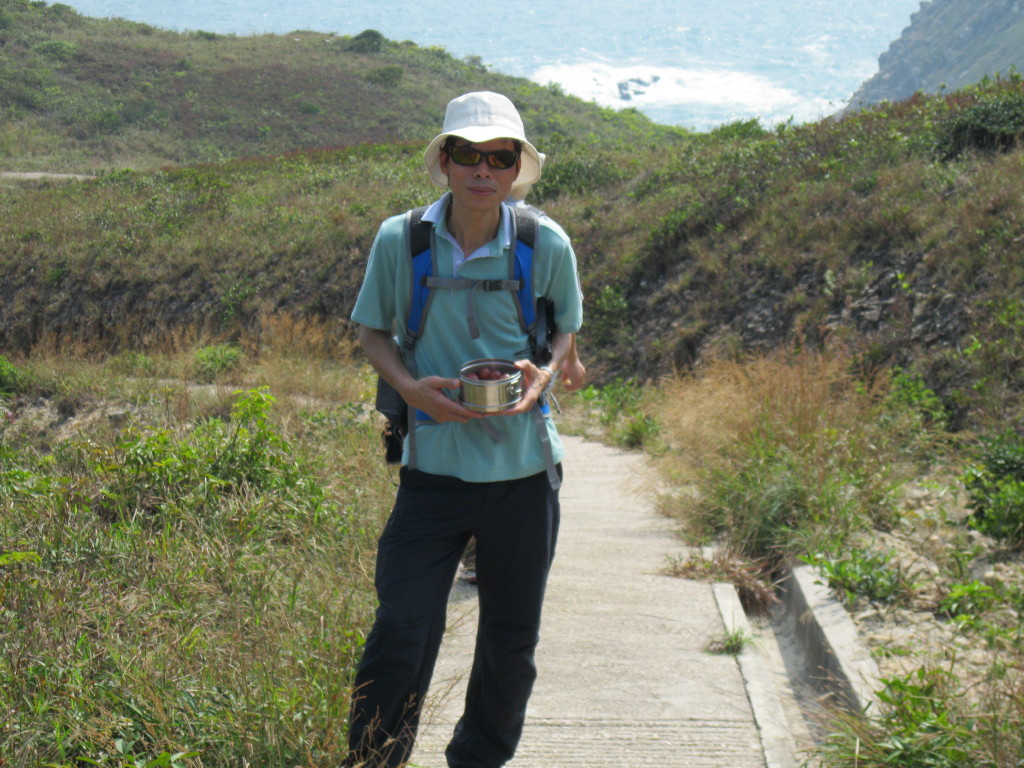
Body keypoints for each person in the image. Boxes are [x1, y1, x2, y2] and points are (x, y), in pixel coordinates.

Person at [345, 91, 584, 768]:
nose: (484, 170)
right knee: (402, 623)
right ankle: (374, 760)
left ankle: (478, 760)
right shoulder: (402, 241)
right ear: (444, 161)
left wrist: (543, 374)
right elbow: (373, 332)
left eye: (500, 158)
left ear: (517, 168)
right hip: (433, 471)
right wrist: (409, 388)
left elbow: (565, 330)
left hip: (524, 474)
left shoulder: (544, 243)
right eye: (468, 155)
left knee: (510, 640)